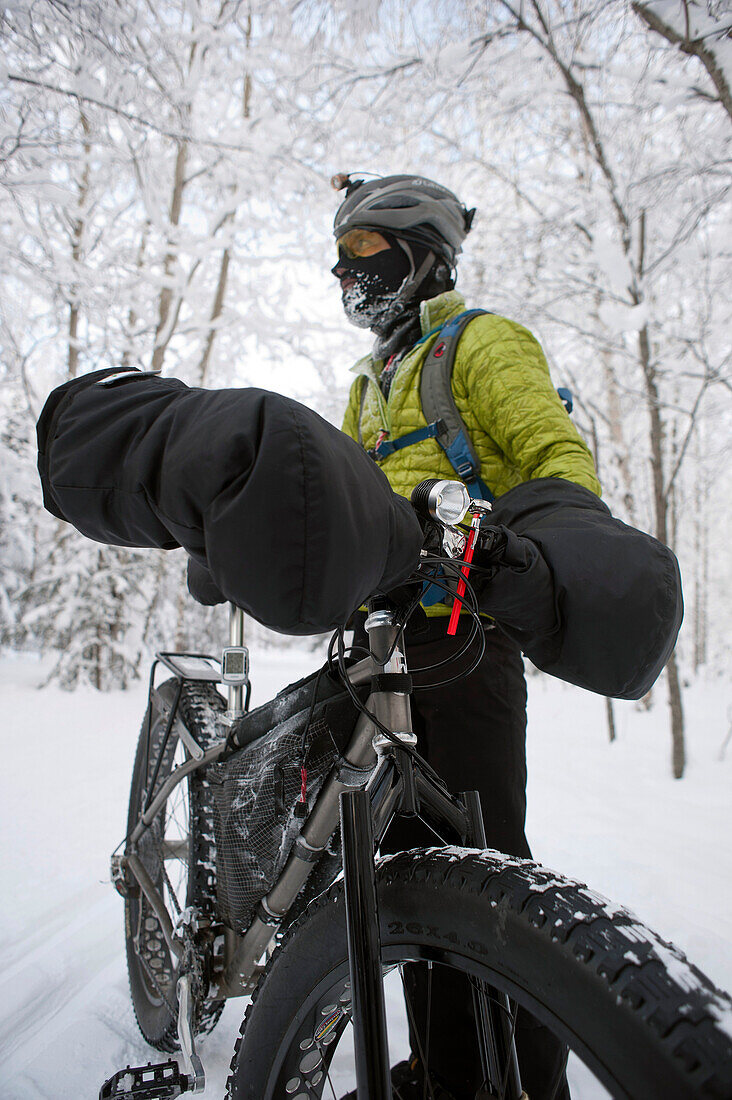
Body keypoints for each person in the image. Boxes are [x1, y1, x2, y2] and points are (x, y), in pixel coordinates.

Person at [331, 173, 602, 1100]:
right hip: (378, 648)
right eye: (341, 254)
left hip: (466, 637)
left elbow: (557, 460)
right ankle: (446, 1071)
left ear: (423, 252)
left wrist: (530, 553)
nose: (344, 269)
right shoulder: (368, 383)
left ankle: (523, 1087)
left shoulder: (479, 341)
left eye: (364, 248)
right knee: (404, 871)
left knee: (486, 872)